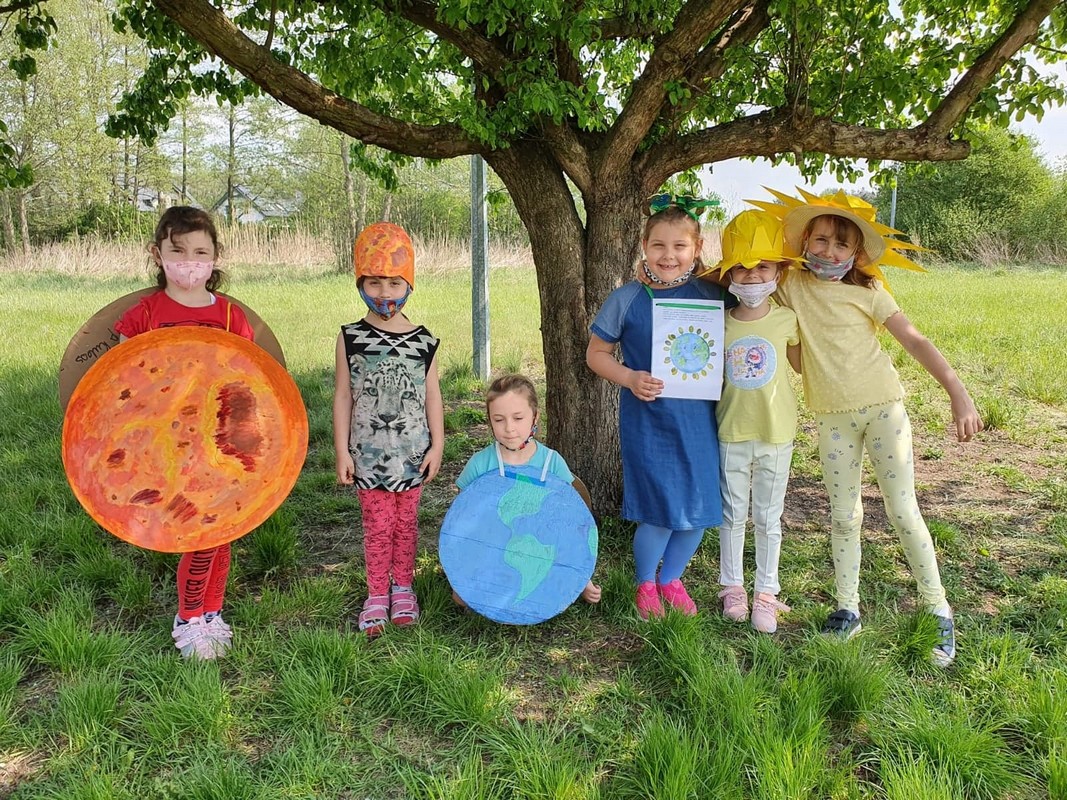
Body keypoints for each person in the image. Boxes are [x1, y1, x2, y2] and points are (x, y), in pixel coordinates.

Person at [752, 188, 983, 664]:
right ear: (804, 242)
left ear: (856, 253)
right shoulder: (788, 285)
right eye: (820, 240)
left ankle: (937, 606)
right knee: (844, 516)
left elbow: (916, 342)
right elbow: (744, 276)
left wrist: (957, 392)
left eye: (841, 244)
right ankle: (847, 608)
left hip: (884, 411)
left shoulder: (869, 291)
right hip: (832, 418)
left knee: (902, 510)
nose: (829, 251)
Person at [115, 205, 254, 660]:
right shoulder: (143, 318)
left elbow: (250, 385)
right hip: (167, 447)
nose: (189, 260)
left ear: (215, 257)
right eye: (178, 251)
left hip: (219, 445)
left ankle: (211, 612)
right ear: (157, 254)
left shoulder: (233, 319)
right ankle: (189, 617)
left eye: (200, 251)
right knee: (197, 533)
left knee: (222, 530)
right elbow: (119, 386)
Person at [586, 193, 728, 619]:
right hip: (649, 421)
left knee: (699, 511)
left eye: (680, 246)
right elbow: (595, 354)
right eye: (660, 246)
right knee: (659, 511)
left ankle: (672, 579)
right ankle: (646, 582)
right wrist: (629, 378)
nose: (669, 255)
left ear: (697, 249)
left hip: (701, 422)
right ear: (644, 247)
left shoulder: (715, 294)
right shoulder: (626, 299)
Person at [334, 222, 444, 638]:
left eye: (395, 282)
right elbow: (343, 395)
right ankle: (376, 594)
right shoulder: (351, 337)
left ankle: (404, 589)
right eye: (376, 281)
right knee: (377, 525)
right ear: (361, 281)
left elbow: (433, 396)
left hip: (412, 453)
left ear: (409, 284)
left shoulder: (425, 341)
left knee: (406, 523)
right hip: (367, 455)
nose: (385, 292)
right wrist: (342, 451)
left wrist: (438, 444)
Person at [713, 210, 801, 634]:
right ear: (728, 274)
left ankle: (766, 592)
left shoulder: (788, 319)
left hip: (777, 432)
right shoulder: (718, 324)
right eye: (742, 269)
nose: (751, 278)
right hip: (731, 430)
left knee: (768, 516)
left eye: (762, 266)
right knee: (733, 514)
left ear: (779, 272)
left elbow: (803, 366)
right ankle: (732, 587)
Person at [452, 373, 601, 608]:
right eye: (499, 419)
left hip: (540, 541)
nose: (509, 428)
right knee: (462, 598)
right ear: (489, 420)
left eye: (518, 418)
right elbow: (462, 520)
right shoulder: (481, 464)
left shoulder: (551, 462)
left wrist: (582, 575)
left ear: (535, 417)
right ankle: (476, 582)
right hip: (495, 542)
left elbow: (572, 519)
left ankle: (579, 580)